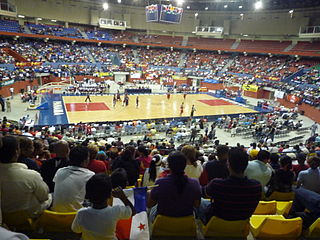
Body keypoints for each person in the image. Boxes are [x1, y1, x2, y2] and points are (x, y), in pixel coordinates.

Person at [199, 148, 261, 224]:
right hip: (242, 223)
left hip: (216, 223)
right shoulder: (256, 186)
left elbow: (203, 193)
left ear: (228, 164)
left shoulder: (216, 184)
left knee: (201, 201)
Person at [71, 174, 135, 240]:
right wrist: (123, 197)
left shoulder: (81, 213)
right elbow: (133, 212)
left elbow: (76, 230)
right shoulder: (116, 211)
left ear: (87, 194)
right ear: (110, 194)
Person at [0, 136, 50, 219]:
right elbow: (44, 197)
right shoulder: (32, 175)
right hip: (27, 217)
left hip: (4, 216)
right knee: (50, 197)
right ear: (17, 152)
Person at [148, 151, 201, 222]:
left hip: (163, 221)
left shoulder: (160, 182)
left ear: (169, 165)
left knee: (152, 209)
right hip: (187, 221)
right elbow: (197, 204)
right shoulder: (195, 183)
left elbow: (150, 204)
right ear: (185, 165)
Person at [52, 146, 95, 212]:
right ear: (85, 160)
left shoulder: (60, 171)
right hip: (75, 216)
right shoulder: (90, 175)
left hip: (55, 213)